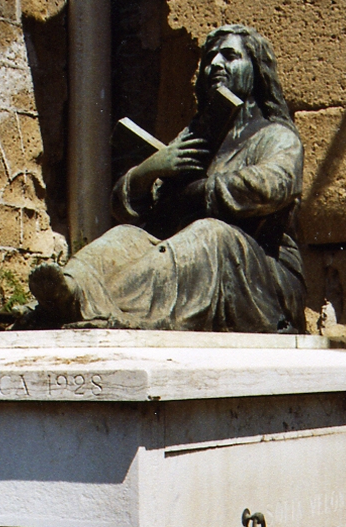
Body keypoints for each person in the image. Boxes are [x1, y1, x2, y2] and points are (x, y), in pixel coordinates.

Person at [28, 24, 306, 332]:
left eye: (229, 56)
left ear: (256, 71)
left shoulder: (276, 136)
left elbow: (272, 186)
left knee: (210, 234)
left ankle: (100, 306)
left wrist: (196, 191)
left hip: (261, 278)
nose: (214, 64)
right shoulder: (197, 136)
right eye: (210, 57)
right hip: (195, 259)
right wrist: (149, 171)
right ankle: (69, 292)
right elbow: (130, 209)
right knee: (125, 237)